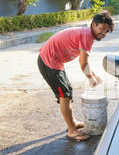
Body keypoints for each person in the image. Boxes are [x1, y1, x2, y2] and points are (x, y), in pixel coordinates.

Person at [37, 10, 114, 141]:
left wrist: (94, 75)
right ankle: (71, 130)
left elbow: (81, 61)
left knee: (68, 92)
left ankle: (73, 123)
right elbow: (84, 63)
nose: (103, 33)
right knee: (64, 95)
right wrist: (91, 78)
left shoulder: (87, 34)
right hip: (48, 61)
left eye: (106, 31)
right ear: (94, 24)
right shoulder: (87, 36)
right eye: (102, 29)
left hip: (55, 62)